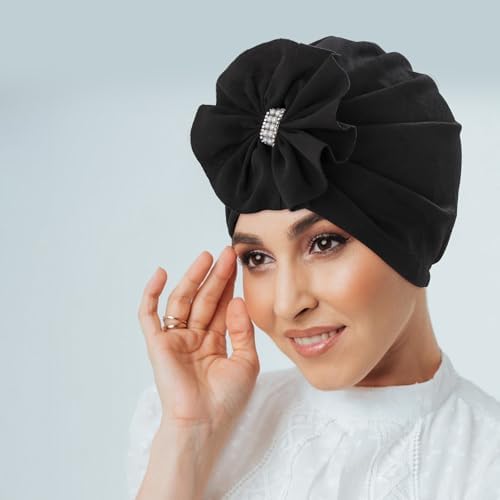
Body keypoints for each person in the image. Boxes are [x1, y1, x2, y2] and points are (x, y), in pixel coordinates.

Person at [126, 36, 500, 499]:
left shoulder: (486, 464)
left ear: (411, 235)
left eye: (324, 243)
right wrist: (188, 436)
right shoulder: (185, 424)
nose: (288, 304)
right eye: (258, 258)